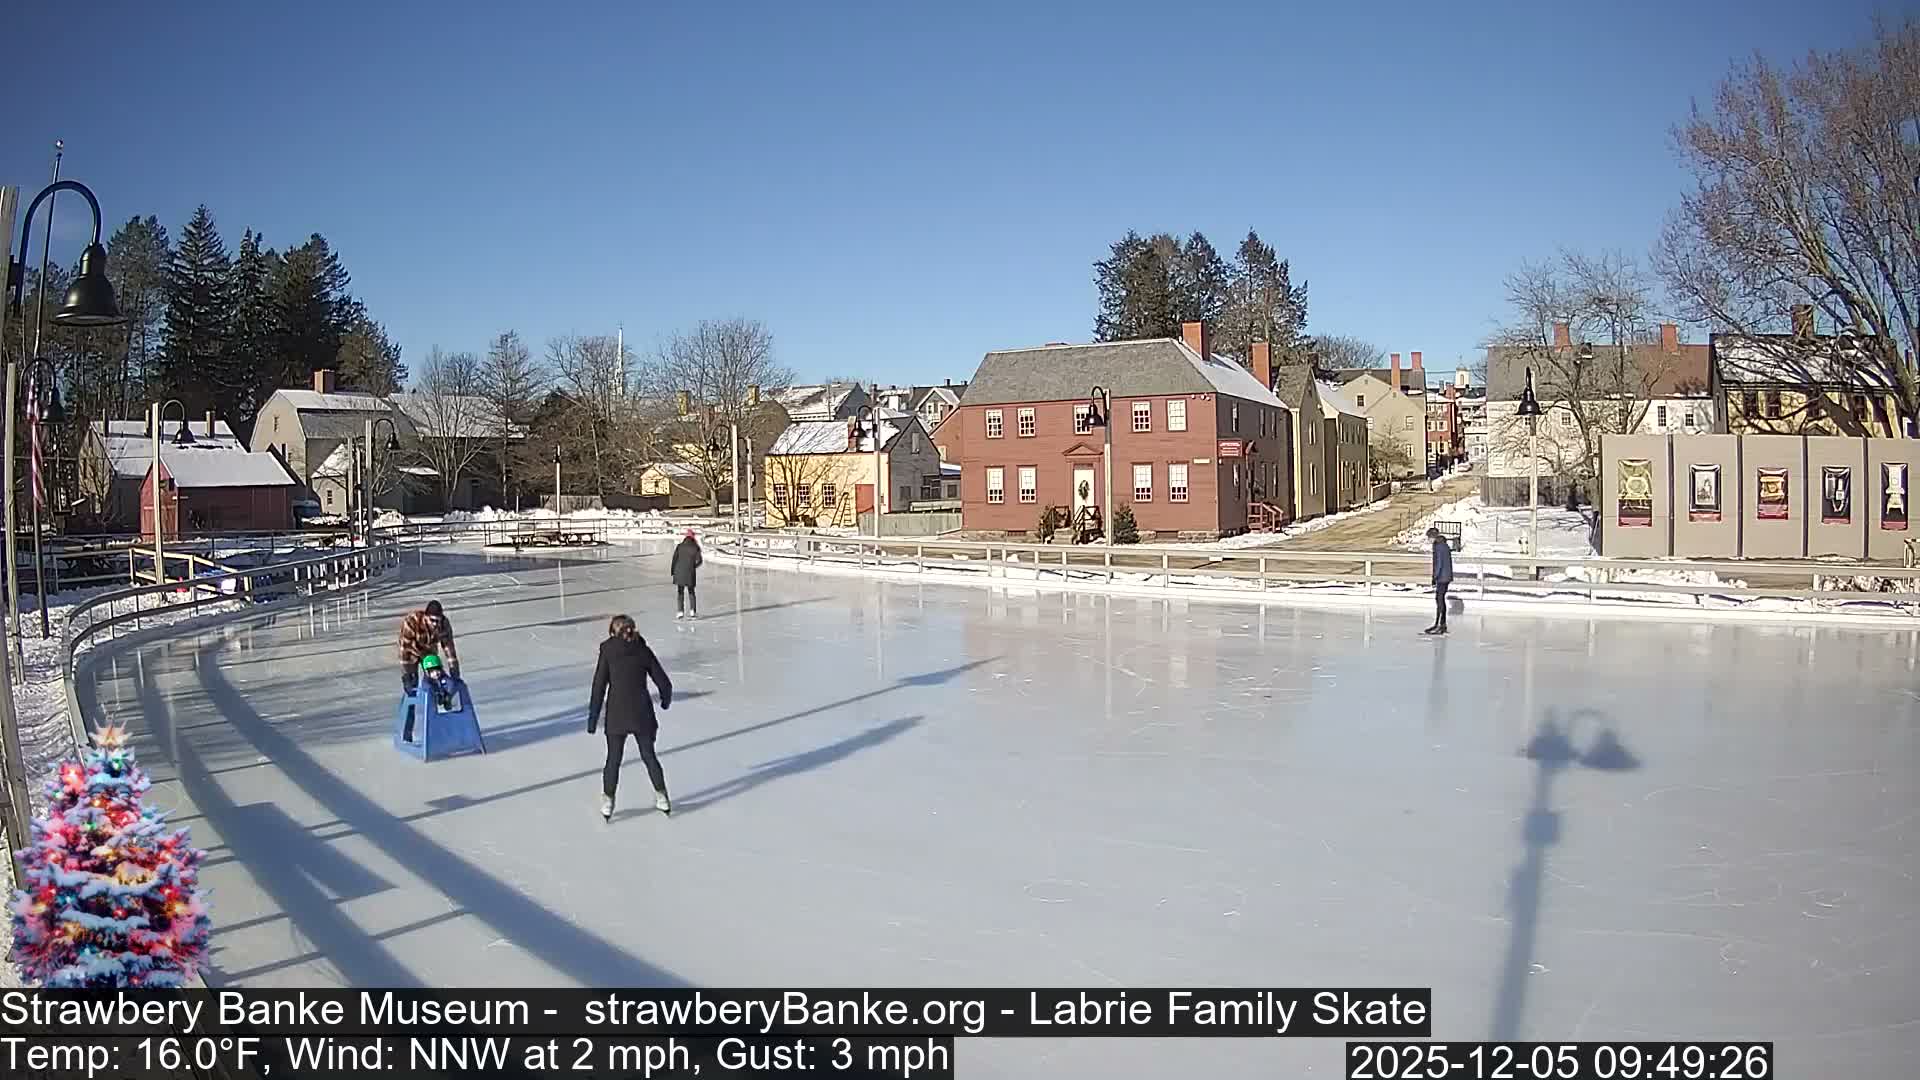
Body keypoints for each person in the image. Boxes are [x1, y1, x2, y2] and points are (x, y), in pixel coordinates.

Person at [588, 614, 674, 820]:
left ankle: (608, 800)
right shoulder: (642, 650)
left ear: (612, 632)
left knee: (613, 759)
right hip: (641, 713)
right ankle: (662, 796)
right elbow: (663, 681)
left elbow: (599, 686)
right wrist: (665, 700)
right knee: (649, 756)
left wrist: (593, 717)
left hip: (617, 714)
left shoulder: (608, 651)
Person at [397, 600, 459, 741]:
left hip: (429, 653)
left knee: (436, 684)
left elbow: (449, 648)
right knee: (412, 691)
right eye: (432, 621)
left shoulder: (444, 624)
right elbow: (404, 651)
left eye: (438, 620)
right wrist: (406, 676)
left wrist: (454, 671)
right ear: (426, 617)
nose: (435, 624)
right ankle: (407, 735)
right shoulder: (411, 622)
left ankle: (437, 723)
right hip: (411, 652)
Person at [1424, 527, 1453, 635]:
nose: (1428, 540)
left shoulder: (1439, 546)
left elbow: (1439, 563)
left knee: (1439, 600)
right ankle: (1441, 624)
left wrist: (1435, 577)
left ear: (1433, 537)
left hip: (1442, 577)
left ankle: (1439, 625)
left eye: (1429, 537)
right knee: (1440, 599)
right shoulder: (1443, 545)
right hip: (1445, 576)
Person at [671, 529, 703, 619]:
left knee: (680, 592)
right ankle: (693, 611)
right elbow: (700, 560)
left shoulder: (680, 546)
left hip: (679, 572)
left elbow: (674, 559)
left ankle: (680, 611)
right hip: (690, 572)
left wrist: (673, 571)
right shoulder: (695, 547)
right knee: (691, 592)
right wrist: (693, 567)